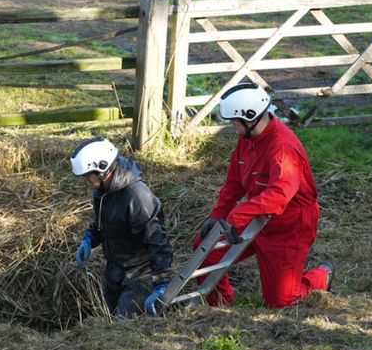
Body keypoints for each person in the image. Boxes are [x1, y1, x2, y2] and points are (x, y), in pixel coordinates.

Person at [195, 82, 330, 309]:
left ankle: (320, 276)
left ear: (249, 118)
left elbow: (279, 195)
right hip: (255, 217)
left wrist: (237, 216)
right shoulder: (248, 139)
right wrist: (218, 215)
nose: (232, 126)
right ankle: (219, 303)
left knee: (280, 301)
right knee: (205, 249)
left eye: (234, 122)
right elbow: (235, 182)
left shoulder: (283, 149)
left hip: (288, 226)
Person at [69, 137, 174, 317]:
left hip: (140, 276)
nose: (86, 180)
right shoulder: (103, 193)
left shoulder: (137, 197)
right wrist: (90, 239)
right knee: (110, 321)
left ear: (103, 170)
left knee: (123, 330)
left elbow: (157, 241)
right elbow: (103, 222)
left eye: (88, 175)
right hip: (115, 271)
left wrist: (162, 284)